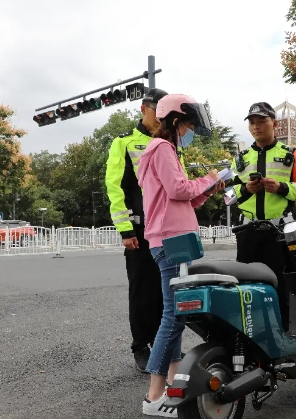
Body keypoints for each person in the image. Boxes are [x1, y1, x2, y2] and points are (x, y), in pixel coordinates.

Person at [137, 93, 224, 417]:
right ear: (174, 121)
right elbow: (177, 190)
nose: (188, 130)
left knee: (175, 315)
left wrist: (206, 190)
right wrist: (210, 178)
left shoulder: (165, 150)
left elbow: (179, 198)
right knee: (173, 315)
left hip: (174, 238)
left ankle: (171, 388)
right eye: (186, 124)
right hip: (171, 241)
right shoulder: (161, 148)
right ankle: (154, 397)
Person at [105, 88, 187, 372]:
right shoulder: (124, 143)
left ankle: (164, 344)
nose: (162, 115)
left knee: (169, 289)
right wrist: (125, 229)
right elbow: (115, 187)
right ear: (144, 109)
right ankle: (141, 345)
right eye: (157, 109)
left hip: (167, 229)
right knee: (142, 290)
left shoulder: (170, 143)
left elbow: (178, 185)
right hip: (139, 231)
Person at [229, 101, 296, 331]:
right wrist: (246, 189)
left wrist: (282, 188)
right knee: (246, 287)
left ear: (274, 124)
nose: (256, 127)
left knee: (281, 284)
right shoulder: (240, 159)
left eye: (262, 121)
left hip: (279, 232)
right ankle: (251, 334)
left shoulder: (291, 154)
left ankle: (284, 333)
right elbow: (227, 196)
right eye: (252, 123)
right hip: (247, 233)